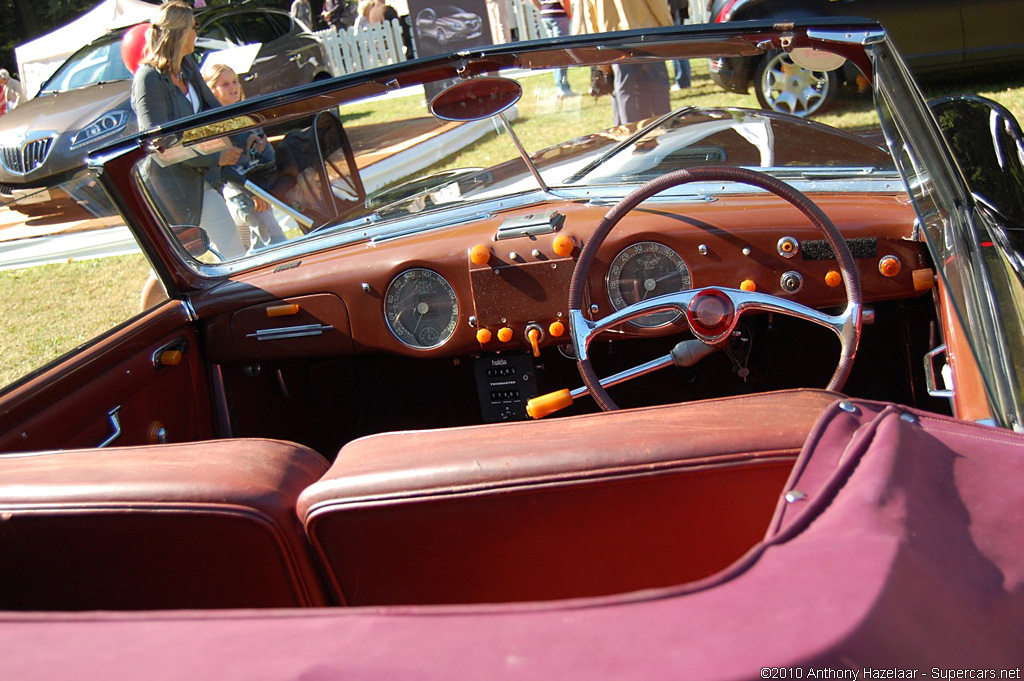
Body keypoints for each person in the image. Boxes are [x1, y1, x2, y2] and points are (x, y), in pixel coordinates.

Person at [131, 0, 245, 259]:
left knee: (233, 252)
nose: (197, 33)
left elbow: (215, 112)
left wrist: (242, 128)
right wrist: (215, 153)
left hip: (201, 180)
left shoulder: (187, 66)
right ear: (179, 33)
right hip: (170, 189)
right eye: (193, 27)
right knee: (177, 268)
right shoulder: (148, 79)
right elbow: (159, 146)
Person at [203, 63, 287, 252]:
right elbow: (225, 168)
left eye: (234, 82)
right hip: (241, 191)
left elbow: (266, 154)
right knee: (273, 241)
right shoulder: (214, 124)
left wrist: (262, 148)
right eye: (225, 84)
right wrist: (252, 192)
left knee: (254, 243)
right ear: (211, 90)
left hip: (258, 187)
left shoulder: (246, 116)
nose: (233, 87)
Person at [572, 0, 673, 126]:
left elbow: (591, 15)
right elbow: (657, 4)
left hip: (613, 39)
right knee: (656, 91)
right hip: (646, 35)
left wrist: (602, 56)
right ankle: (664, 131)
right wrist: (668, 28)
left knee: (625, 90)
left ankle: (630, 136)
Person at [530, 0, 576, 97]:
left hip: (546, 15)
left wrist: (542, 8)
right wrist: (570, 14)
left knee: (555, 52)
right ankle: (562, 87)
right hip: (558, 14)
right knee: (562, 52)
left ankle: (560, 85)